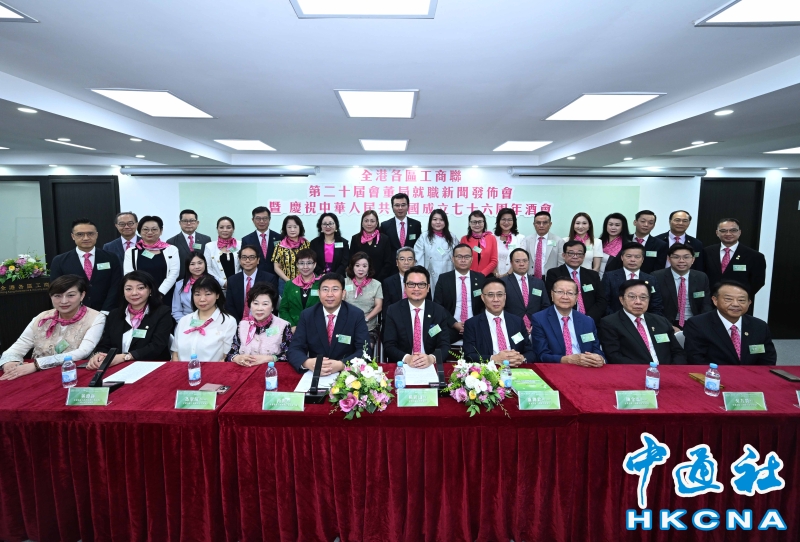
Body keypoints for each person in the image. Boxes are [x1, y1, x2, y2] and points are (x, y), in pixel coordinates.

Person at [0, 275, 105, 379]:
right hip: (37, 375)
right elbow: (19, 346)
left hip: (72, 375)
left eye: (70, 295)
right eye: (57, 296)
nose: (63, 301)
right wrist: (10, 363)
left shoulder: (96, 317)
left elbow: (82, 352)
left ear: (82, 295)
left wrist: (37, 365)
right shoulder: (42, 317)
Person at [287, 273, 370, 374]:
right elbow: (294, 348)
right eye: (325, 289)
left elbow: (364, 350)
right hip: (315, 372)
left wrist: (342, 365)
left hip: (347, 373)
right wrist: (307, 362)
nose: (329, 294)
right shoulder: (307, 315)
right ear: (319, 293)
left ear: (343, 293)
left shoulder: (356, 315)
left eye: (335, 289)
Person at [88, 271, 173, 367]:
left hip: (151, 366)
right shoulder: (114, 314)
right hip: (117, 366)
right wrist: (99, 355)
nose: (134, 293)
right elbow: (105, 345)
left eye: (141, 288)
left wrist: (125, 357)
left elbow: (157, 346)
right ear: (123, 292)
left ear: (150, 290)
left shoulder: (162, 312)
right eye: (128, 289)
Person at [683, 281, 776, 365]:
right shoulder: (698, 324)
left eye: (741, 300)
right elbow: (696, 359)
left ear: (749, 303)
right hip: (714, 376)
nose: (735, 304)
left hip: (752, 376)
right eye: (728, 299)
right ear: (715, 300)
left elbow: (768, 359)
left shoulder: (759, 326)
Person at [598, 279, 685, 364]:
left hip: (667, 370)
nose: (638, 302)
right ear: (622, 300)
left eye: (643, 297)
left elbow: (678, 352)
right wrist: (646, 370)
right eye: (632, 297)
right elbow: (614, 356)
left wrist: (673, 369)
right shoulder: (610, 323)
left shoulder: (661, 321)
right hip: (633, 371)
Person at [383, 266, 453, 366]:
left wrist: (431, 358)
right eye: (411, 284)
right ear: (405, 287)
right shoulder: (393, 311)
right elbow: (389, 345)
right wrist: (407, 358)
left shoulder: (438, 311)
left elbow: (445, 345)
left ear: (428, 288)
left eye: (421, 284)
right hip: (403, 365)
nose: (416, 289)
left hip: (430, 365)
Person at [50, 218, 122, 312]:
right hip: (73, 312)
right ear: (73, 236)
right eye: (80, 234)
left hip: (106, 311)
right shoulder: (59, 261)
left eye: (90, 234)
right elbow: (56, 289)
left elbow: (115, 286)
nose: (86, 238)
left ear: (96, 235)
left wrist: (105, 311)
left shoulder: (111, 258)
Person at [530, 278, 605, 366]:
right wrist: (567, 360)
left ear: (576, 297)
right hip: (556, 368)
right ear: (552, 294)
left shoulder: (587, 321)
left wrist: (599, 358)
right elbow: (541, 355)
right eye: (560, 292)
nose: (565, 297)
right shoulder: (540, 319)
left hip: (585, 367)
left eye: (570, 293)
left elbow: (596, 349)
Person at [462, 277, 535, 365]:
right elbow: (469, 355)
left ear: (505, 296)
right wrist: (494, 359)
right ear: (483, 297)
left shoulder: (517, 322)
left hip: (515, 368)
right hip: (488, 370)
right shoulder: (472, 324)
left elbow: (530, 352)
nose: (496, 299)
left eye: (500, 295)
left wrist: (521, 358)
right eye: (490, 295)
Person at [704, 218, 767, 308]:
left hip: (738, 304)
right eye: (723, 231)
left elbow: (758, 281)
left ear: (739, 232)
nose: (728, 234)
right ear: (717, 233)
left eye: (733, 230)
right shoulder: (706, 252)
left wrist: (741, 298)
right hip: (709, 302)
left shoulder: (755, 256)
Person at [172, 276, 237, 361]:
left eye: (208, 294)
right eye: (197, 294)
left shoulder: (228, 321)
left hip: (214, 369)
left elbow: (227, 357)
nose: (202, 299)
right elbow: (175, 353)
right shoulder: (184, 320)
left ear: (217, 295)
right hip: (182, 369)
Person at [226, 282, 292, 366]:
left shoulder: (283, 326)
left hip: (271, 371)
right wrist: (237, 358)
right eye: (255, 303)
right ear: (250, 305)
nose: (259, 308)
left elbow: (290, 354)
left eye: (265, 304)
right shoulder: (242, 325)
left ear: (272, 307)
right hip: (246, 371)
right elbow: (231, 354)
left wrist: (270, 358)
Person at [123, 215, 180, 309]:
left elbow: (174, 273)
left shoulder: (171, 249)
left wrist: (159, 293)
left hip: (165, 295)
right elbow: (129, 275)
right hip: (140, 296)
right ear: (139, 231)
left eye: (154, 229)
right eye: (145, 229)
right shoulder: (131, 251)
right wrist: (143, 293)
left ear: (161, 231)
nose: (150, 232)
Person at [652, 244, 712, 331]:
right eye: (676, 257)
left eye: (686, 257)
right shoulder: (657, 277)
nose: (681, 261)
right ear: (668, 259)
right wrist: (668, 326)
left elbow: (706, 305)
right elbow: (655, 306)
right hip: (667, 322)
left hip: (694, 321)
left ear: (693, 259)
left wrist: (701, 324)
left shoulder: (701, 277)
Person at [545, 240, 607, 325]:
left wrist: (588, 318)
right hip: (564, 320)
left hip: (590, 320)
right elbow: (551, 298)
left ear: (584, 256)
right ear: (564, 255)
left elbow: (601, 300)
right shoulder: (554, 273)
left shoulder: (592, 275)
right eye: (571, 253)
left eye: (579, 254)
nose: (575, 257)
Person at [433, 244, 486, 344]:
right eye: (459, 257)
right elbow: (438, 305)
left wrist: (474, 323)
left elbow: (485, 304)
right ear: (453, 259)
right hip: (451, 325)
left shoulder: (480, 278)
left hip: (476, 325)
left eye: (467, 257)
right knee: (432, 336)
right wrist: (454, 323)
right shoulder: (444, 279)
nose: (463, 260)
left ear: (472, 259)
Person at [602, 242, 663, 316]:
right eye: (629, 256)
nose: (632, 260)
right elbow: (604, 303)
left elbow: (656, 305)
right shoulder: (609, 277)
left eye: (637, 257)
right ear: (622, 257)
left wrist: (647, 320)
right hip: (615, 319)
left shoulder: (651, 279)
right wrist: (615, 319)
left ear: (642, 259)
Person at [224, 244, 279, 322]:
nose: (247, 260)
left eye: (252, 257)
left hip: (263, 321)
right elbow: (229, 306)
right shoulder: (232, 280)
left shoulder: (269, 279)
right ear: (239, 260)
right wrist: (240, 324)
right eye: (244, 257)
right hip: (238, 322)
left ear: (258, 260)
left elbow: (272, 304)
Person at [502, 248, 550, 334]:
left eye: (525, 261)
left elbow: (545, 306)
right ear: (511, 263)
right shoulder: (503, 283)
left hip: (536, 328)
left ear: (528, 262)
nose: (521, 264)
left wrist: (537, 324)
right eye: (517, 261)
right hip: (512, 328)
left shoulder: (539, 283)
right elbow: (500, 307)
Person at [344, 252, 383, 349]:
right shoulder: (344, 282)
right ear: (352, 267)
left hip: (368, 327)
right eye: (357, 265)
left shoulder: (376, 284)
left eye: (364, 266)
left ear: (369, 268)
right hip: (346, 325)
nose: (361, 269)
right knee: (343, 347)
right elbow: (340, 303)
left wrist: (365, 319)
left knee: (366, 349)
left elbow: (379, 306)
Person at [414, 209, 455, 292]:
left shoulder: (452, 237)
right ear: (430, 221)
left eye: (441, 220)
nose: (438, 222)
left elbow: (457, 256)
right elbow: (418, 257)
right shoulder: (424, 237)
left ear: (445, 222)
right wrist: (421, 274)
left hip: (448, 272)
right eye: (435, 219)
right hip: (430, 274)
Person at [279, 248, 320, 332]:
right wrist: (292, 325)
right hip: (294, 329)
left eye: (309, 263)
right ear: (297, 265)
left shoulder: (321, 283)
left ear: (315, 264)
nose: (305, 267)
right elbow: (283, 309)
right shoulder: (290, 284)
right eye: (301, 263)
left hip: (317, 328)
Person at [166, 209, 212, 277]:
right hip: (181, 279)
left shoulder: (206, 240)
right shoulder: (171, 242)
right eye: (185, 221)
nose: (188, 223)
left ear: (197, 223)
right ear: (180, 223)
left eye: (192, 221)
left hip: (202, 279)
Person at [351, 209, 393, 281]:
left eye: (372, 221)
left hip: (380, 280)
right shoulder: (355, 238)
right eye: (366, 221)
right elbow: (351, 261)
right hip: (359, 280)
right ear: (362, 223)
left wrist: (377, 280)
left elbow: (388, 263)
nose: (369, 224)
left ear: (376, 223)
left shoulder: (384, 239)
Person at [521, 211, 564, 280]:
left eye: (545, 223)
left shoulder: (559, 241)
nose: (541, 225)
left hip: (551, 278)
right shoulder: (527, 240)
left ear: (550, 224)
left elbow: (561, 263)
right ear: (534, 224)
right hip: (531, 278)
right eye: (538, 223)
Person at [240, 206, 282, 276]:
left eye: (265, 218)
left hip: (276, 277)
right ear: (253, 220)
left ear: (269, 219)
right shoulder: (246, 240)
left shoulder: (279, 238)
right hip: (255, 277)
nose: (261, 221)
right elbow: (243, 261)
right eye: (258, 218)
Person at [272, 215, 311, 289]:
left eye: (295, 227)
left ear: (300, 228)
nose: (292, 230)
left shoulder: (306, 244)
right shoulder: (280, 246)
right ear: (285, 229)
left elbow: (311, 263)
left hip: (305, 281)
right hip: (285, 282)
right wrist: (289, 281)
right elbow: (276, 267)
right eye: (289, 227)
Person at [381, 247, 419, 320]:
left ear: (414, 262)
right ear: (397, 262)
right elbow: (386, 309)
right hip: (395, 320)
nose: (406, 262)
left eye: (410, 259)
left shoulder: (421, 281)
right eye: (402, 259)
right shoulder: (388, 282)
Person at [173, 252, 212, 323]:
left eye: (200, 263)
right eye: (192, 264)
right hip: (187, 322)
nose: (197, 267)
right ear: (187, 266)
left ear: (205, 264)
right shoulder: (180, 285)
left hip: (211, 321)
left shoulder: (213, 281)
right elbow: (176, 311)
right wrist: (188, 324)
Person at [205, 216, 240, 288]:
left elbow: (245, 266)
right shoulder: (209, 246)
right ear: (217, 229)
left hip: (238, 285)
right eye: (221, 227)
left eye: (228, 227)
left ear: (233, 229)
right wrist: (223, 283)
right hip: (217, 287)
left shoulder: (240, 244)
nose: (225, 230)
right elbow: (207, 269)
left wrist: (236, 281)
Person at [460, 210, 498, 277]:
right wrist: (473, 274)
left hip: (487, 276)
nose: (477, 225)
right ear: (469, 223)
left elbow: (494, 260)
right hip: (469, 275)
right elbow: (463, 259)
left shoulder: (492, 238)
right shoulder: (464, 239)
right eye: (474, 222)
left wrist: (482, 274)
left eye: (480, 222)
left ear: (484, 223)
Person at [494, 208, 525, 277]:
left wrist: (507, 274)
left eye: (509, 220)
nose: (506, 222)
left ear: (514, 221)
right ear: (498, 221)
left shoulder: (520, 238)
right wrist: (496, 274)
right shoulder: (492, 237)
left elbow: (521, 259)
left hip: (514, 276)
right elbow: (489, 258)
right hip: (495, 277)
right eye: (503, 219)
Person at [599, 212, 629, 277]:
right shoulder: (599, 242)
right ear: (606, 226)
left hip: (614, 279)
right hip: (596, 278)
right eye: (610, 224)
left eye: (617, 225)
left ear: (623, 227)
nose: (613, 227)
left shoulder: (627, 245)